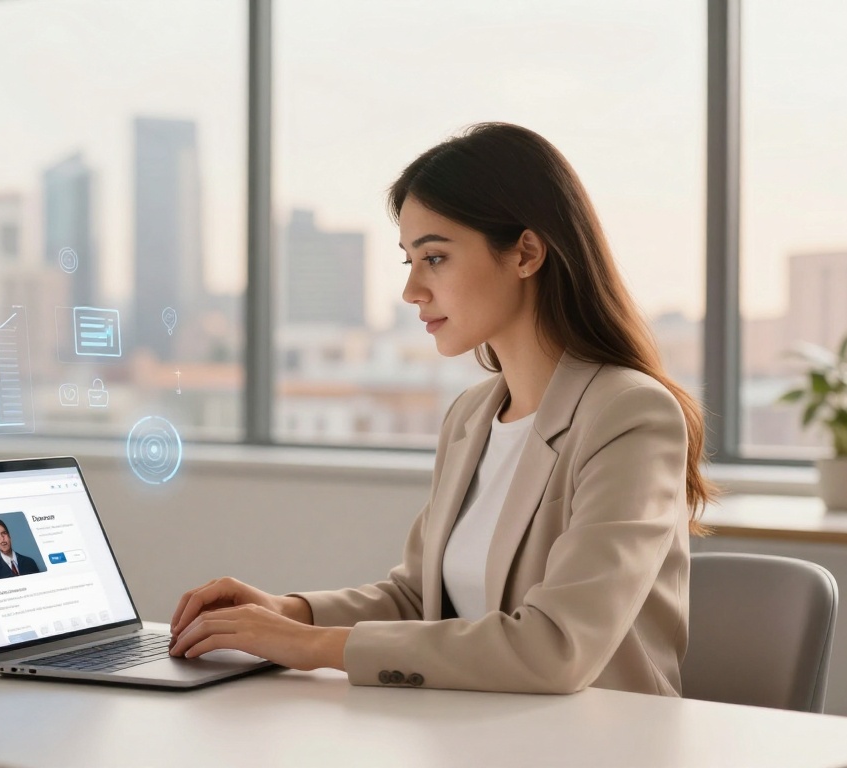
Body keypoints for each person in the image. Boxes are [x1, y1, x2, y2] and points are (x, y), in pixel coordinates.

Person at [168, 123, 714, 697]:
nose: (412, 291)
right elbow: (419, 599)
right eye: (409, 260)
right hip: (473, 735)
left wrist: (305, 648)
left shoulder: (628, 415)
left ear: (525, 252)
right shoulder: (471, 417)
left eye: (435, 257)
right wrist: (290, 612)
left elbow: (556, 649)